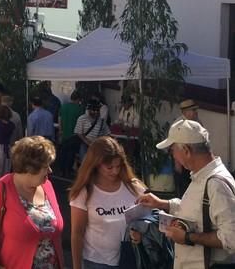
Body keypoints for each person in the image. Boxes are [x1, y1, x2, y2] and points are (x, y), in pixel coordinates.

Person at [137, 119, 235, 268]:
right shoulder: (202, 175)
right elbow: (199, 210)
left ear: (186, 151)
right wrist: (162, 204)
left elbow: (231, 238)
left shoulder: (215, 184)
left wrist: (188, 237)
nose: (173, 156)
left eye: (172, 150)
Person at [0, 136, 64, 269]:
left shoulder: (47, 186)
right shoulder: (0, 189)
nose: (50, 171)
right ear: (30, 168)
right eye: (46, 166)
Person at [69, 136, 146, 269]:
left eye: (118, 166)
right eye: (109, 168)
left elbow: (149, 219)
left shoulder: (134, 187)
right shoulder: (85, 192)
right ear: (96, 165)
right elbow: (77, 233)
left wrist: (142, 234)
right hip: (95, 261)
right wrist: (76, 266)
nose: (115, 171)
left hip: (130, 259)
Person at [173, 99, 200, 197]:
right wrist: (178, 166)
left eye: (195, 110)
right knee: (183, 192)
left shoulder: (197, 122)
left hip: (194, 161)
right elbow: (175, 146)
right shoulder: (179, 124)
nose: (195, 112)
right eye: (193, 110)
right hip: (183, 162)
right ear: (185, 112)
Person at [58, 91, 86, 177]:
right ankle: (68, 171)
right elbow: (82, 122)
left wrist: (61, 130)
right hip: (74, 135)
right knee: (71, 153)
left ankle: (61, 170)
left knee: (63, 152)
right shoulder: (80, 108)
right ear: (78, 99)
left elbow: (59, 119)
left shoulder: (63, 107)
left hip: (64, 133)